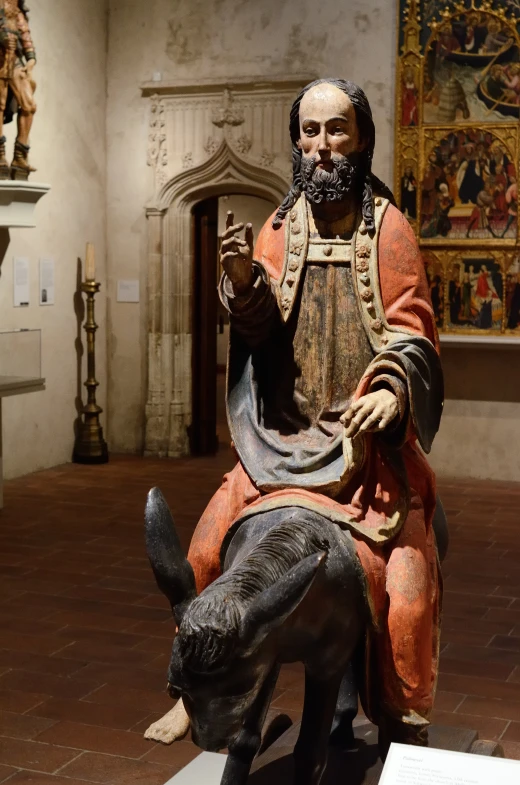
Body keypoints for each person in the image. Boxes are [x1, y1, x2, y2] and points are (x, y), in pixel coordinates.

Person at [147, 79, 443, 754]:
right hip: (279, 444)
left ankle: (405, 722)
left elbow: (415, 336)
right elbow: (262, 336)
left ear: (362, 138)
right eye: (309, 132)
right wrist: (247, 285)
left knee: (409, 596)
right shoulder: (283, 228)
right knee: (199, 555)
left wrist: (394, 391)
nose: (321, 147)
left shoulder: (390, 231)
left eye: (336, 130)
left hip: (367, 458)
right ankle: (192, 693)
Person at [0, 0, 37, 179]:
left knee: (29, 105)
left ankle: (20, 157)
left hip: (14, 61)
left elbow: (25, 36)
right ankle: (0, 155)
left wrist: (30, 61)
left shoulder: (17, 9)